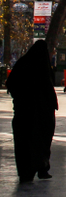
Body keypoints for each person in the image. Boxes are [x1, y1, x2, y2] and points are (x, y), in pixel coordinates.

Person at [6, 41, 57, 183]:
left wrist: (20, 100)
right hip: (41, 115)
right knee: (41, 142)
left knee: (24, 144)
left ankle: (25, 172)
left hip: (24, 114)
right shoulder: (44, 67)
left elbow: (11, 84)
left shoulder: (23, 64)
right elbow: (49, 90)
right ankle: (42, 168)